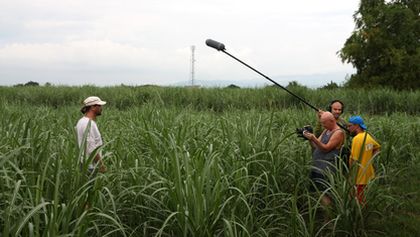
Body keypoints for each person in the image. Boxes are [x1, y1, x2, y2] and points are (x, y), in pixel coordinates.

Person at [303, 112, 345, 206]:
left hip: (326, 169)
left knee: (325, 194)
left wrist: (313, 138)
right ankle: (324, 215)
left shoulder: (338, 133)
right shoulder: (326, 130)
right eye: (321, 123)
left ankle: (328, 219)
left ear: (332, 121)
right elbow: (316, 146)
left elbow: (326, 148)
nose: (322, 125)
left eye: (324, 123)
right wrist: (309, 138)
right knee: (318, 192)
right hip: (317, 166)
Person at [347, 116, 381, 204]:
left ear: (357, 126)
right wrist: (369, 158)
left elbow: (353, 159)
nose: (348, 128)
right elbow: (377, 148)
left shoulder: (356, 139)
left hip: (358, 174)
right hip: (368, 172)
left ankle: (359, 216)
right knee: (364, 195)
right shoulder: (367, 136)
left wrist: (351, 175)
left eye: (350, 126)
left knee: (358, 199)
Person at [76, 96, 107, 173]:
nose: (101, 108)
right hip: (90, 165)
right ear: (92, 107)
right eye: (99, 105)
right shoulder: (88, 123)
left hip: (84, 162)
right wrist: (101, 165)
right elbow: (91, 148)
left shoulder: (81, 121)